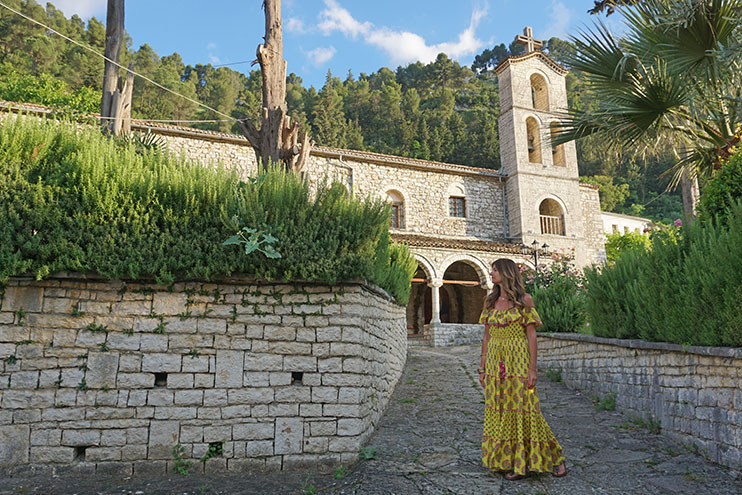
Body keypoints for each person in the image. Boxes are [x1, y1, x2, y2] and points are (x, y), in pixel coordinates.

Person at [478, 258, 567, 480]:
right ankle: (508, 461)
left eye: (495, 270)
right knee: (498, 413)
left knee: (526, 411)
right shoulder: (489, 302)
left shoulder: (524, 301)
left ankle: (555, 458)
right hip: (494, 364)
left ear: (506, 273)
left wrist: (533, 369)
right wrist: (482, 367)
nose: (491, 274)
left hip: (518, 361)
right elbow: (487, 336)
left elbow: (532, 336)